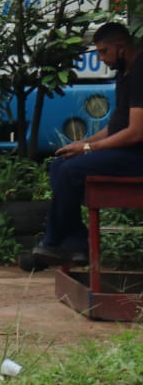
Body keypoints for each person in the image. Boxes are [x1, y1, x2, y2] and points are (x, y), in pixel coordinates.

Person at [32, 24, 143, 266]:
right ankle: (75, 241)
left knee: (71, 170)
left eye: (104, 52)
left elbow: (136, 132)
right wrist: (83, 143)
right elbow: (115, 127)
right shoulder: (124, 73)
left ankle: (53, 241)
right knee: (60, 163)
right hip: (124, 151)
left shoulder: (140, 73)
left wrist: (88, 150)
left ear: (121, 47)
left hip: (137, 155)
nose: (101, 59)